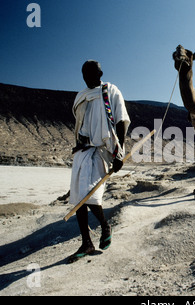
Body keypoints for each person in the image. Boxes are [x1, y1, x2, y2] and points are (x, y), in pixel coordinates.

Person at [69, 60, 130, 263]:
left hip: (101, 151)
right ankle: (86, 242)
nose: (87, 76)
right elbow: (79, 124)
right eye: (84, 73)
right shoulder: (81, 96)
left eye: (91, 72)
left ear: (100, 72)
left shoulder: (110, 91)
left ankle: (105, 225)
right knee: (79, 199)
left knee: (89, 193)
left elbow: (121, 120)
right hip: (82, 151)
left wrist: (119, 152)